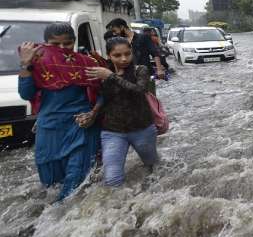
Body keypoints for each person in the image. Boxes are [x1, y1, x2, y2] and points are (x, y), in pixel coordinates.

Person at [17, 23, 101, 201]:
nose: (62, 49)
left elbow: (104, 93)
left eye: (68, 44)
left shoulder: (85, 63)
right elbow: (26, 94)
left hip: (81, 125)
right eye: (55, 45)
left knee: (76, 183)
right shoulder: (37, 64)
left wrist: (93, 114)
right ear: (45, 43)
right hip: (49, 129)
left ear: (74, 41)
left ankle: (64, 220)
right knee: (51, 183)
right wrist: (25, 64)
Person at [85, 37, 158, 186]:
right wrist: (92, 113)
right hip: (112, 131)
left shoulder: (140, 70)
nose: (124, 59)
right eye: (117, 55)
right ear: (108, 56)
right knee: (112, 178)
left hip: (142, 128)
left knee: (152, 166)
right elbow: (103, 97)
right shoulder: (102, 73)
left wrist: (111, 77)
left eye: (127, 53)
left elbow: (140, 90)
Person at [105, 19, 164, 92]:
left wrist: (159, 69)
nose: (114, 34)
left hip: (145, 75)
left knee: (149, 99)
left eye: (115, 30)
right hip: (128, 76)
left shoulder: (143, 37)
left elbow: (155, 53)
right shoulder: (122, 42)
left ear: (122, 27)